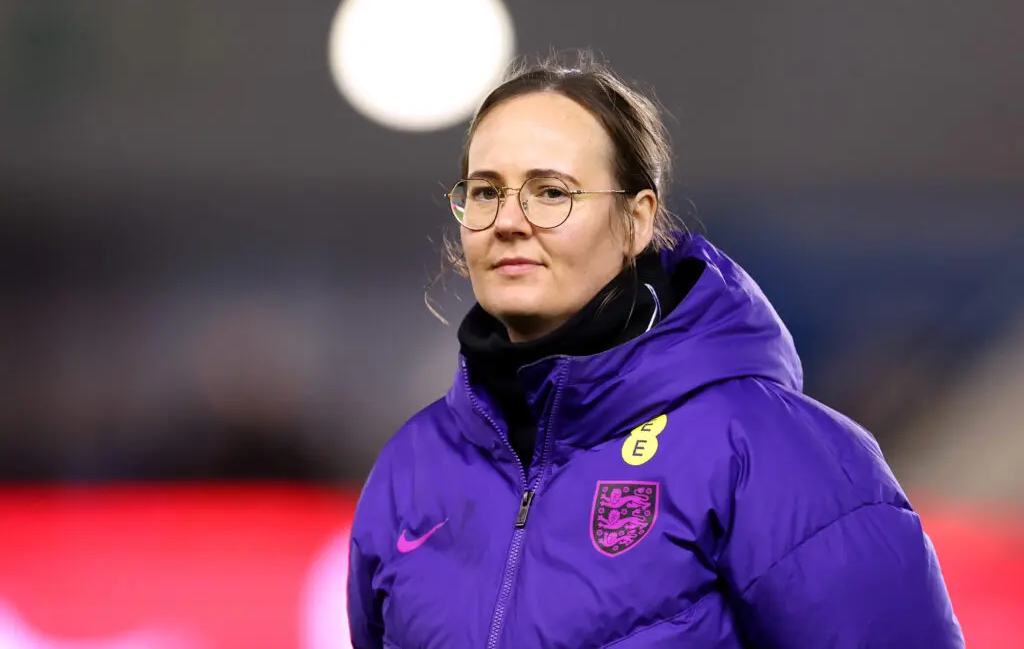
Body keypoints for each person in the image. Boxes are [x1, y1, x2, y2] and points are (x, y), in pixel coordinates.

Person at [346, 52, 964, 648]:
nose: (509, 220)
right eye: (485, 192)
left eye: (552, 192)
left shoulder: (770, 449)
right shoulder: (412, 467)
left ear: (637, 220)